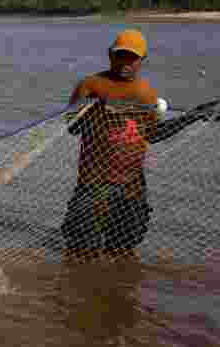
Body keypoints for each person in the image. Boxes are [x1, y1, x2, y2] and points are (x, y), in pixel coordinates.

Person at [60, 29, 160, 260]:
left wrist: (191, 118)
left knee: (123, 250)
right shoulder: (91, 85)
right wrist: (100, 109)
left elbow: (153, 134)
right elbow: (72, 127)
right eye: (120, 55)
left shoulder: (146, 94)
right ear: (109, 55)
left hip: (132, 185)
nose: (125, 63)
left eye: (132, 58)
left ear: (142, 60)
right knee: (80, 251)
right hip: (94, 182)